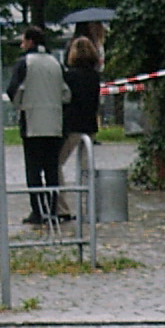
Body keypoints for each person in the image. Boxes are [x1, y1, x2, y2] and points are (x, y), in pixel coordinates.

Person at [6, 26, 69, 225]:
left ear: (31, 42)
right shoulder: (56, 63)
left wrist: (21, 105)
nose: (22, 45)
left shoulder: (25, 63)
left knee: (33, 171)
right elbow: (66, 93)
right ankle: (52, 209)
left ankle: (37, 210)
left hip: (32, 121)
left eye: (24, 41)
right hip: (55, 123)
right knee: (52, 169)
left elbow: (12, 90)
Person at [55, 36, 102, 220]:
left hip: (72, 126)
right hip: (89, 125)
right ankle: (88, 205)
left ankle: (62, 207)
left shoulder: (69, 76)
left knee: (56, 163)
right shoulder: (95, 76)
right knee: (86, 168)